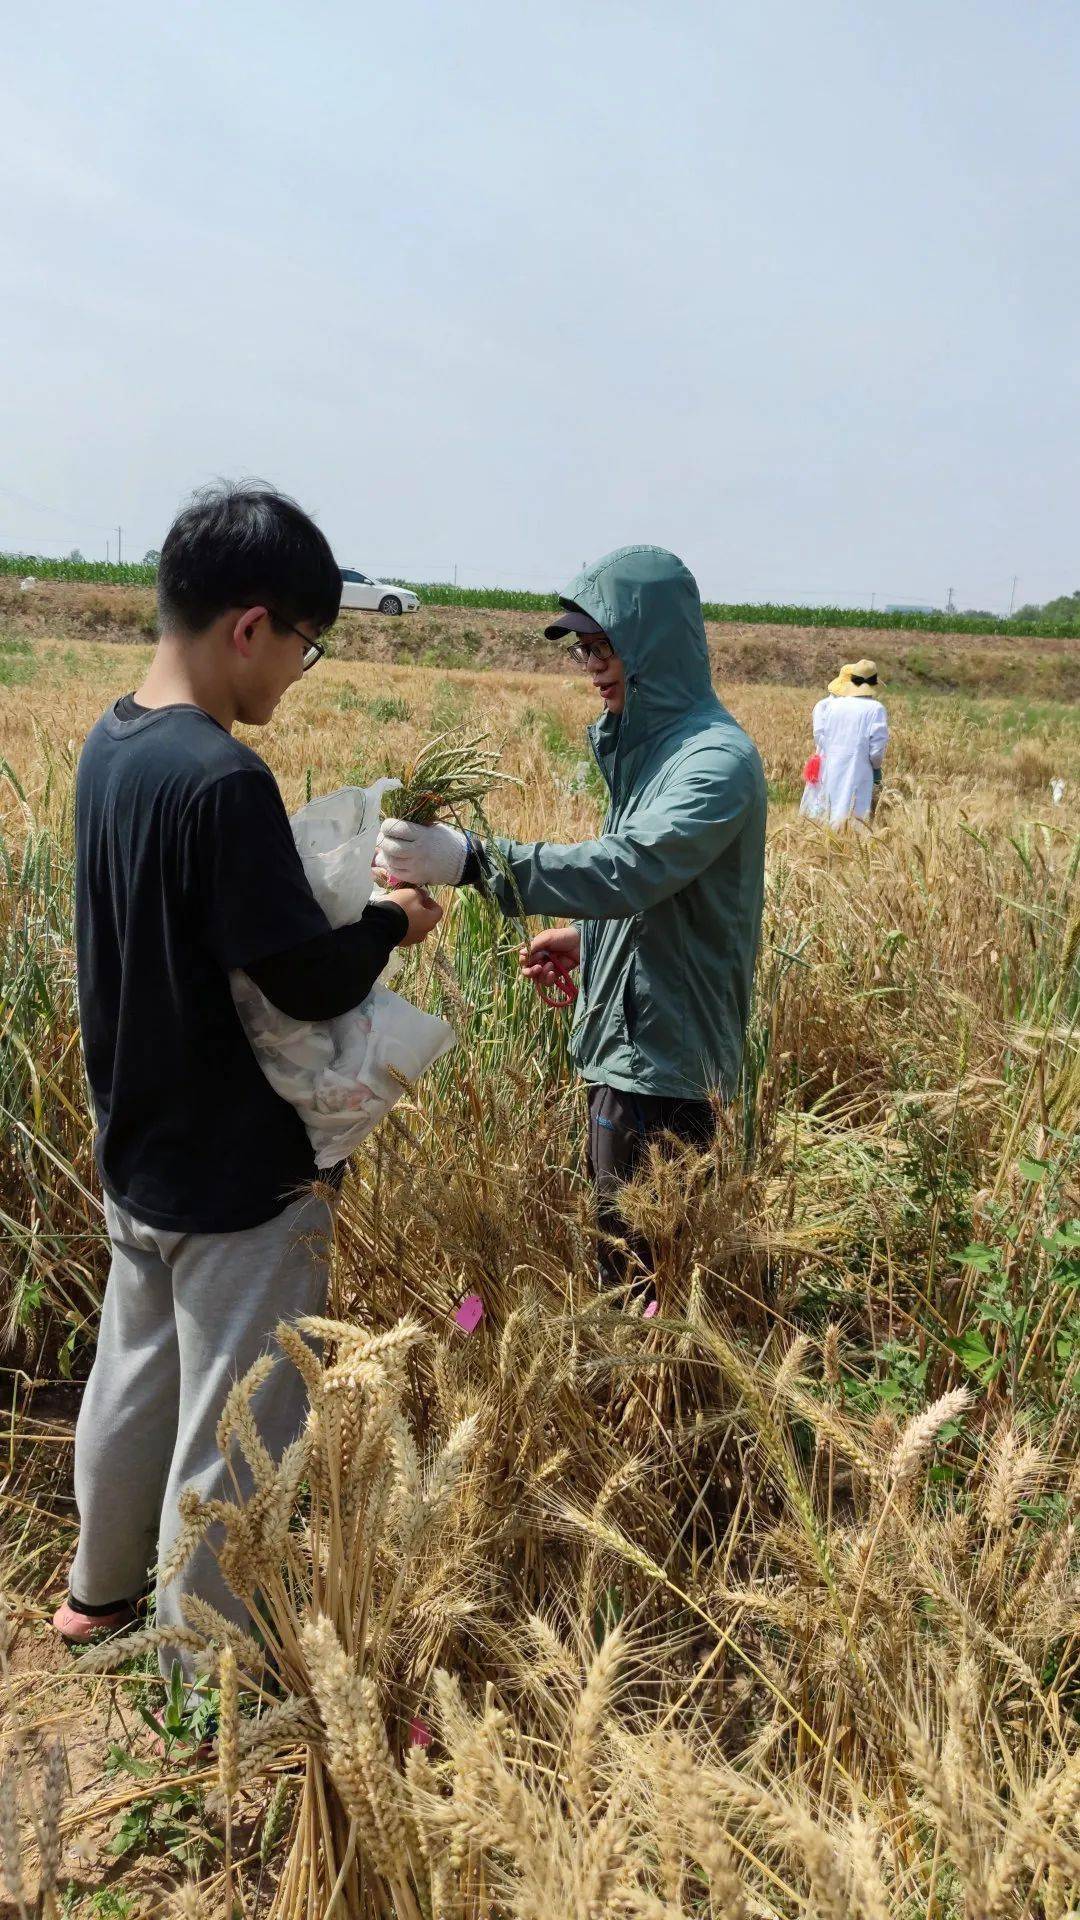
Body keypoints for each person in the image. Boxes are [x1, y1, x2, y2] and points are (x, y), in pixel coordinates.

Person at [55, 483, 442, 1668]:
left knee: (134, 1378)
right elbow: (306, 983)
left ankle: (99, 1598)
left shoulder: (110, 742)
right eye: (304, 648)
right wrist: (392, 922)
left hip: (141, 1145)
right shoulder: (221, 782)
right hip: (236, 1168)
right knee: (237, 1423)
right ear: (248, 627)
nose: (294, 675)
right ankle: (200, 1679)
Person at [376, 545, 767, 1307]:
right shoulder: (648, 748)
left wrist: (474, 862)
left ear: (653, 642)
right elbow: (665, 899)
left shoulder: (713, 762)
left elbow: (630, 868)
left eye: (603, 646)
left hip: (667, 1060)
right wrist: (592, 944)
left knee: (649, 1280)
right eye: (582, 650)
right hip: (628, 1041)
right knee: (627, 1261)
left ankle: (653, 1417)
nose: (590, 665)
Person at [800, 659, 888, 825]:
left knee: (830, 809)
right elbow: (876, 751)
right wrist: (876, 769)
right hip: (858, 768)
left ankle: (828, 841)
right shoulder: (875, 709)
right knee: (855, 814)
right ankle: (848, 846)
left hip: (832, 766)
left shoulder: (834, 705)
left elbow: (825, 735)